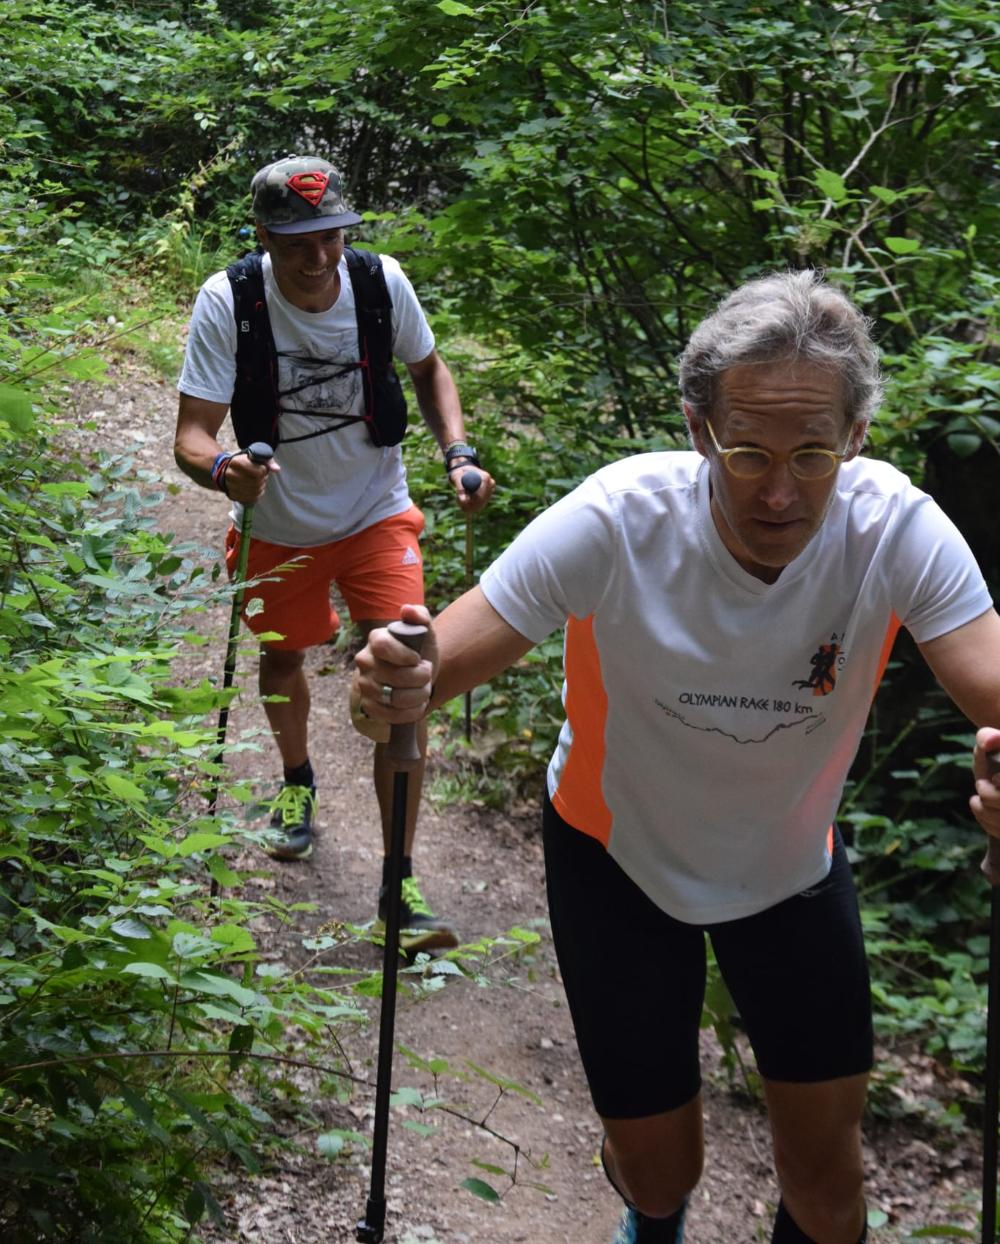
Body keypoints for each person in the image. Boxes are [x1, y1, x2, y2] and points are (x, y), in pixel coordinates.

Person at [353, 270, 1000, 1243]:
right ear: (697, 429)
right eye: (745, 452)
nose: (779, 490)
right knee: (658, 1178)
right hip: (616, 864)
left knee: (828, 1196)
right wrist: (388, 687)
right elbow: (428, 672)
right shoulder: (618, 520)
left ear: (856, 438)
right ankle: (652, 1219)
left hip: (789, 869)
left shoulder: (894, 528)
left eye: (814, 453)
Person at [174, 154, 494, 952]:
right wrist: (223, 471)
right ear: (263, 237)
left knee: (404, 687)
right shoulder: (230, 301)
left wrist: (457, 453)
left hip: (376, 515)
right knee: (283, 660)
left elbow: (428, 368)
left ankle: (399, 879)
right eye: (296, 243)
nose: (318, 258)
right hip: (276, 523)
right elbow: (190, 435)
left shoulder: (381, 283)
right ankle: (295, 782)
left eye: (330, 237)